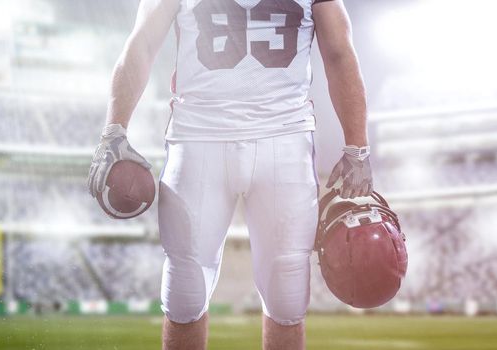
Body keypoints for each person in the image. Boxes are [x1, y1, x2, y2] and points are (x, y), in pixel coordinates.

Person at [87, 0, 372, 348]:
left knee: (287, 299)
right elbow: (143, 42)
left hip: (282, 139)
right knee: (185, 296)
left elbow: (340, 52)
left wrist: (358, 145)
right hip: (199, 137)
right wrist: (113, 129)